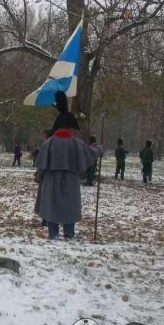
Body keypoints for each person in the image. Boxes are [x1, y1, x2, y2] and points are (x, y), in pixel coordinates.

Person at [36, 91, 99, 240]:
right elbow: (91, 153)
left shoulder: (49, 143)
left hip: (51, 181)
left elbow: (41, 166)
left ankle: (53, 234)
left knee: (51, 206)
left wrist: (40, 176)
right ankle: (69, 234)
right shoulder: (76, 143)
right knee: (70, 207)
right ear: (70, 127)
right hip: (71, 181)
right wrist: (99, 148)